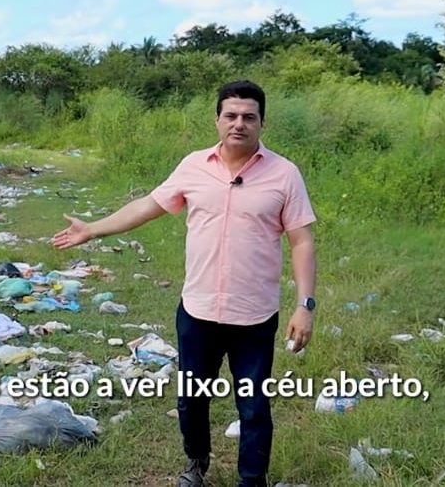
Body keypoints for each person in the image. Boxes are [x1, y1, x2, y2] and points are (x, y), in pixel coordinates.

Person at [51, 80, 318, 487]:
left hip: (255, 315)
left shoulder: (284, 174)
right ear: (217, 119)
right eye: (230, 115)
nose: (239, 124)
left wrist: (305, 305)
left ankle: (252, 480)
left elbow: (301, 240)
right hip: (199, 310)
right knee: (192, 399)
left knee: (253, 406)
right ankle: (196, 463)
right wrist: (94, 229)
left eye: (249, 117)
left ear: (262, 122)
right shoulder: (194, 165)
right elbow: (148, 206)